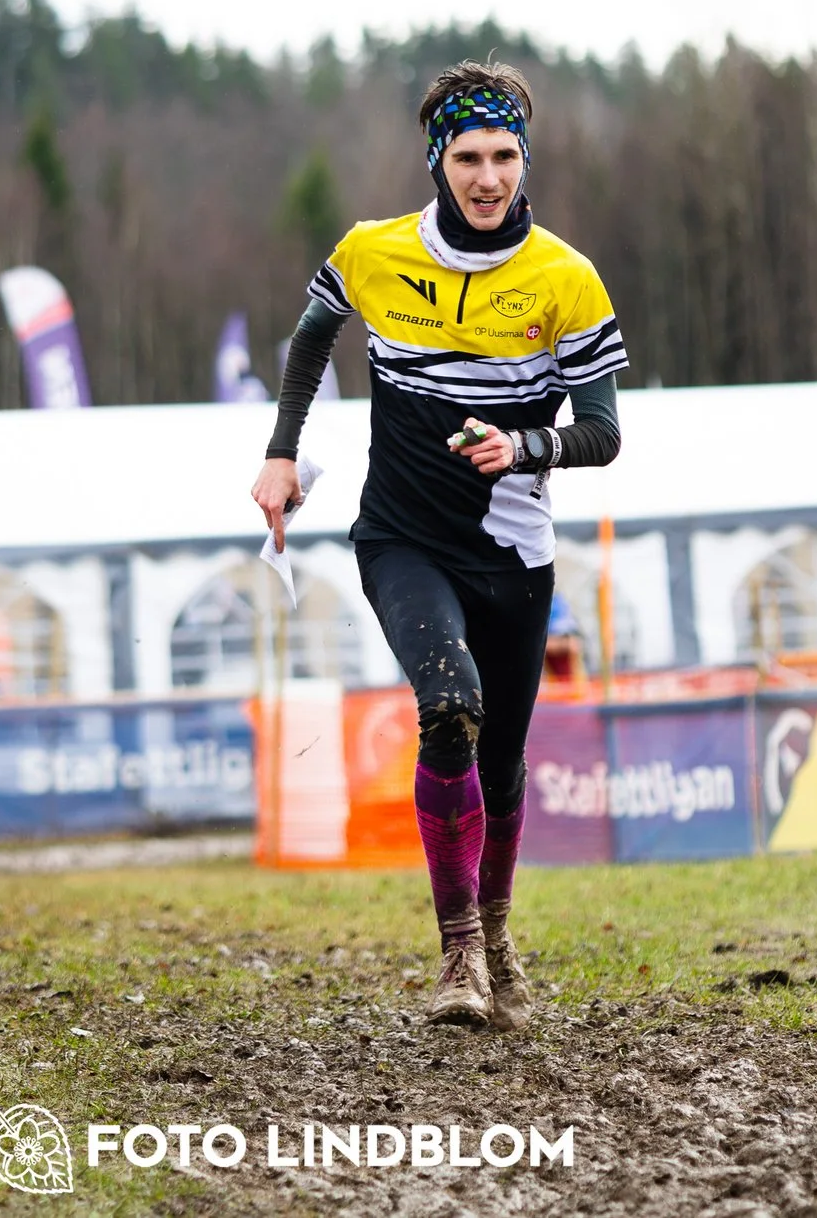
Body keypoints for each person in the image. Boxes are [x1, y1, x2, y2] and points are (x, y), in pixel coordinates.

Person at [251, 59, 627, 1031]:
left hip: (513, 551)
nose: (489, 176)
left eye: (505, 155)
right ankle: (458, 949)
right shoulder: (374, 251)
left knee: (501, 767)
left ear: (523, 157)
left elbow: (602, 429)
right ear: (436, 159)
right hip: (403, 535)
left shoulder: (565, 276)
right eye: (469, 156)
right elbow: (307, 340)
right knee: (447, 705)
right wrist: (281, 453)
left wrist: (528, 445)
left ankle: (496, 935)